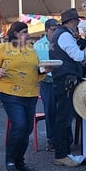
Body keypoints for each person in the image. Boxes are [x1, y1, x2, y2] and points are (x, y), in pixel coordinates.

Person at [0, 21, 48, 171]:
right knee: (19, 125)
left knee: (27, 128)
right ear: (15, 33)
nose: (28, 35)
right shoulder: (3, 47)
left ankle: (20, 161)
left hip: (31, 92)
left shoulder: (30, 48)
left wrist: (44, 69)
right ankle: (10, 160)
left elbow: (36, 69)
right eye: (24, 32)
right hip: (10, 92)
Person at [48, 8, 86, 167]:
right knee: (64, 118)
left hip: (61, 79)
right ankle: (62, 154)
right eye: (77, 21)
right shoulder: (64, 35)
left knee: (63, 117)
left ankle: (63, 151)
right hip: (66, 80)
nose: (77, 24)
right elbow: (78, 56)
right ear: (73, 21)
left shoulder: (58, 34)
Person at [33, 18, 59, 151]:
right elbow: (35, 65)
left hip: (60, 79)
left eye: (57, 30)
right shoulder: (38, 45)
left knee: (63, 111)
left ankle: (64, 138)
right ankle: (52, 140)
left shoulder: (61, 41)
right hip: (47, 80)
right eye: (53, 30)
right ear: (46, 30)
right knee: (50, 110)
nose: (55, 33)